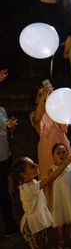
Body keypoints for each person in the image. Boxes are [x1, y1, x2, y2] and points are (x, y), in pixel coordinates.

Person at [9, 153, 71, 249]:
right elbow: (50, 178)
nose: (36, 165)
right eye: (32, 166)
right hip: (31, 226)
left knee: (44, 244)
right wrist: (66, 162)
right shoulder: (28, 189)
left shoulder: (32, 182)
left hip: (37, 222)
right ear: (23, 174)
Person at [30, 85, 71, 197]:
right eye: (40, 95)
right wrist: (44, 96)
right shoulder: (34, 115)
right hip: (47, 147)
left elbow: (65, 123)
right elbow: (38, 119)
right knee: (49, 174)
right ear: (36, 100)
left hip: (62, 142)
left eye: (45, 95)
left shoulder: (55, 110)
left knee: (67, 171)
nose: (44, 97)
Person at [0, 68, 19, 237]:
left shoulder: (2, 111)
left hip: (5, 155)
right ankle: (9, 225)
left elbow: (8, 135)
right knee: (3, 194)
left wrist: (11, 129)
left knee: (6, 190)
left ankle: (10, 224)